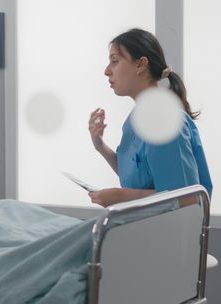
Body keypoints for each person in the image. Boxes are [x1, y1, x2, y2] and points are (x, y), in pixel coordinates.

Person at [88, 28, 212, 207]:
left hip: (169, 232)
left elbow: (187, 199)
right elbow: (135, 175)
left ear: (140, 65)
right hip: (145, 227)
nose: (107, 71)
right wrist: (100, 146)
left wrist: (122, 197)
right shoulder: (137, 119)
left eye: (115, 61)